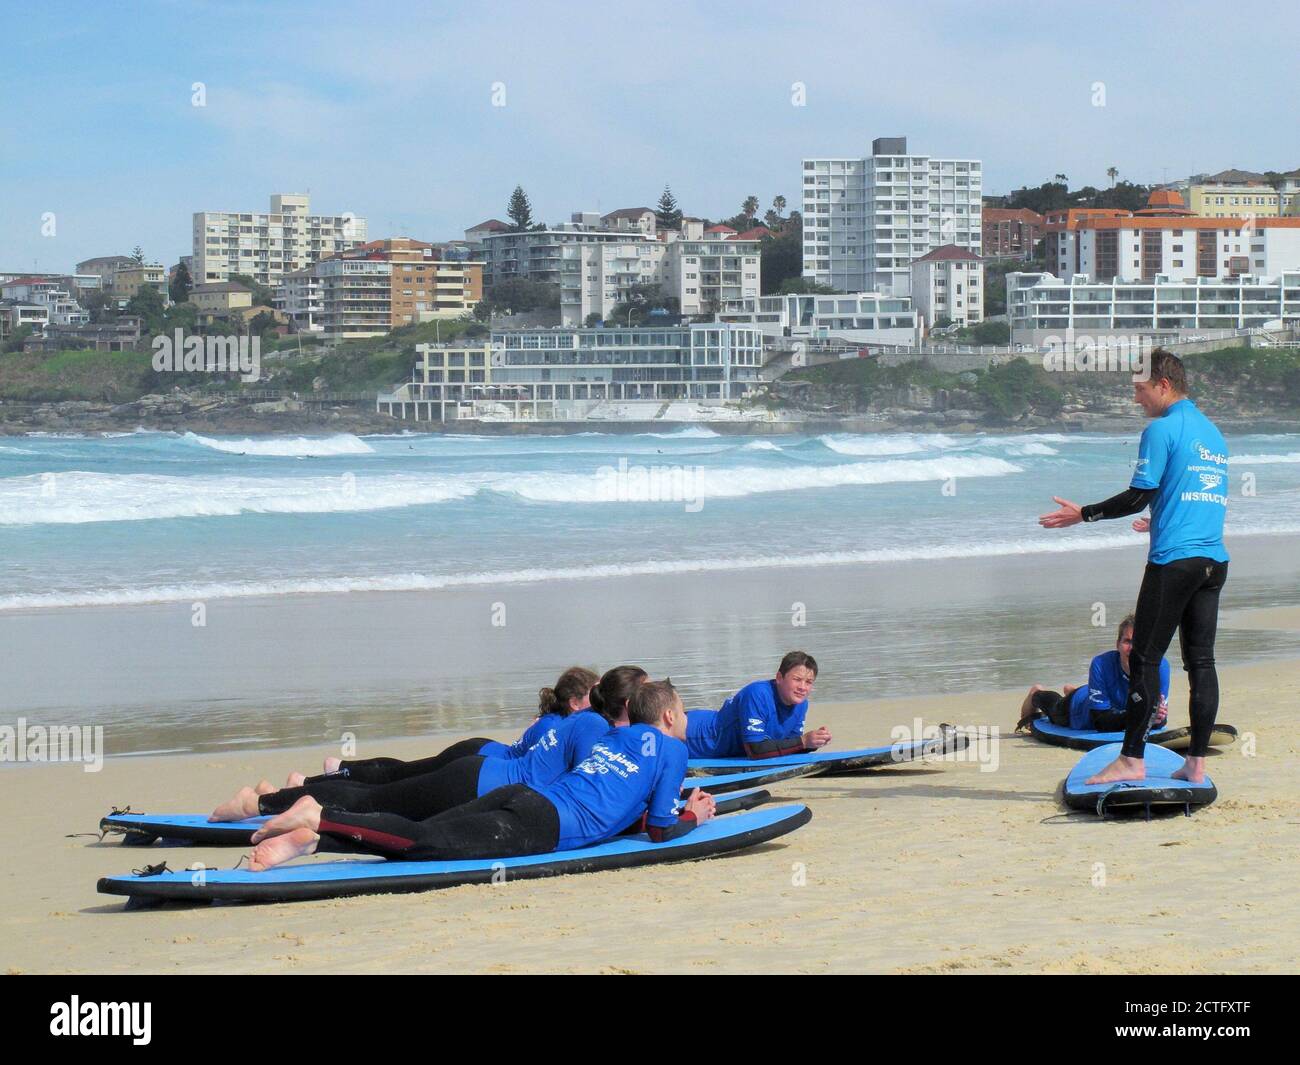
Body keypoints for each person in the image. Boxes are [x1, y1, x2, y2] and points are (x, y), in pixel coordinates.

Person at [245, 679, 716, 870]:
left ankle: (312, 839)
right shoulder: (673, 752)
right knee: (421, 843)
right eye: (682, 712)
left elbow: (617, 794)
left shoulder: (613, 736)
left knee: (420, 830)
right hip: (542, 824)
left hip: (522, 795)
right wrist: (693, 815)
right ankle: (320, 815)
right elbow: (659, 830)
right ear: (671, 718)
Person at [1039, 349, 1228, 784]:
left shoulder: (1161, 429)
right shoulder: (1213, 435)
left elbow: (1135, 496)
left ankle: (1132, 758)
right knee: (1201, 662)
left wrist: (1081, 514)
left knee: (1143, 659)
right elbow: (1197, 496)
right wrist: (1160, 520)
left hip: (1174, 563)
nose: (1136, 399)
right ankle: (1195, 766)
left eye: (1139, 390)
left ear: (1163, 385)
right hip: (1212, 562)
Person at [211, 666, 641, 825]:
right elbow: (586, 788)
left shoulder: (579, 722)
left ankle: (284, 795)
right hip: (477, 781)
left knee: (387, 790)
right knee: (380, 797)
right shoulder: (591, 729)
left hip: (480, 772)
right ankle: (262, 803)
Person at [279, 666, 599, 790]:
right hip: (478, 758)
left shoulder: (556, 722)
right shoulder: (556, 727)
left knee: (406, 773)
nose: (600, 701)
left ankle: (338, 768)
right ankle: (312, 781)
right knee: (401, 778)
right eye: (593, 695)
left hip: (481, 753)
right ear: (574, 702)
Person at [1015, 614, 1170, 732]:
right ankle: (1038, 692)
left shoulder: (1161, 667)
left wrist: (1157, 719)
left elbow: (1160, 720)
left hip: (1102, 699)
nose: (1133, 649)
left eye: (1139, 642)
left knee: (1088, 694)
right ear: (1117, 645)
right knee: (1054, 706)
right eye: (1127, 641)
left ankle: (1073, 690)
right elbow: (1101, 722)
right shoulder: (1101, 664)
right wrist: (1141, 715)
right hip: (1078, 711)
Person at [685, 651, 830, 759]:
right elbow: (754, 750)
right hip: (693, 737)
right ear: (779, 678)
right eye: (797, 679)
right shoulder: (758, 694)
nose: (803, 687)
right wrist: (803, 742)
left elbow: (788, 745)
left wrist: (813, 742)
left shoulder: (801, 704)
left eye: (808, 682)